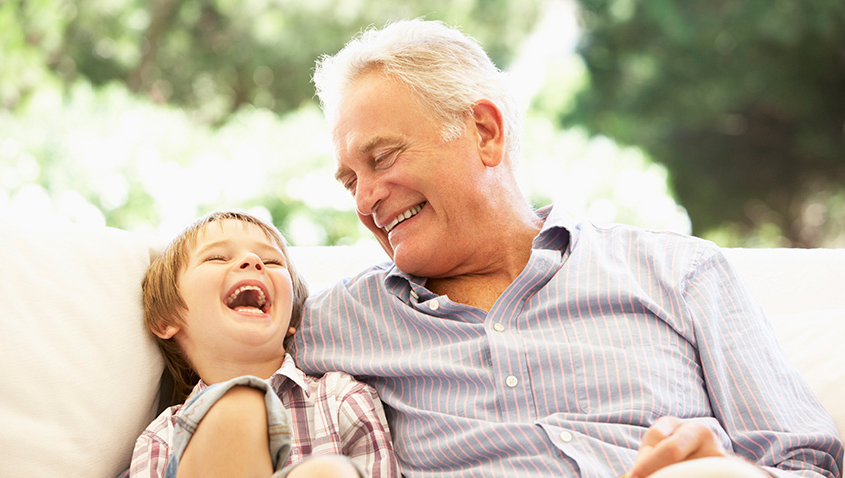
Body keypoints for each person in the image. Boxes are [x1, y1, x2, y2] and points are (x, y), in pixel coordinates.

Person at [292, 19, 844, 478]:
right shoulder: (333, 322)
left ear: (485, 132)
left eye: (383, 157)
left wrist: (719, 467)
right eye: (349, 182)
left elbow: (807, 461)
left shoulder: (679, 273)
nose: (366, 199)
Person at [128, 211, 398, 478]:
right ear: (166, 319)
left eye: (271, 261)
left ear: (292, 316)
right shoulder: (162, 437)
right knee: (238, 405)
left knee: (328, 471)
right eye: (217, 257)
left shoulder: (341, 397)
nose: (253, 261)